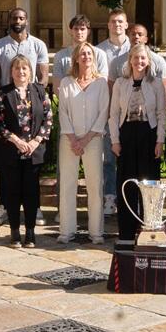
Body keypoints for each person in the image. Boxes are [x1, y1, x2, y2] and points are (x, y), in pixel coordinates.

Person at [0, 55, 53, 247]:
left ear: (30, 71)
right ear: (11, 72)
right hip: (11, 151)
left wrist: (36, 141)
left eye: (24, 68)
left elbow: (48, 119)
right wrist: (16, 141)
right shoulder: (2, 94)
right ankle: (15, 232)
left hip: (33, 152)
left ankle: (31, 233)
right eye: (17, 68)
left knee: (31, 193)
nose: (21, 72)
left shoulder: (40, 91)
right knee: (12, 192)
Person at [109, 43, 166, 244]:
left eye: (143, 58)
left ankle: (149, 230)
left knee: (149, 184)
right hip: (126, 135)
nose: (139, 61)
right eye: (135, 58)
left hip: (148, 135)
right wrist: (115, 140)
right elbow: (114, 114)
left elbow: (161, 114)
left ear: (148, 61)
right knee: (127, 184)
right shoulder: (120, 83)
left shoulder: (156, 83)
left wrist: (160, 140)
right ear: (130, 60)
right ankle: (126, 232)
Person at [56, 34, 110, 245]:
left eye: (89, 54)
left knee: (94, 186)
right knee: (67, 184)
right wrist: (73, 139)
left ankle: (96, 232)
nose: (86, 57)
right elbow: (62, 112)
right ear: (76, 59)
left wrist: (85, 139)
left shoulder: (101, 83)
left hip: (93, 139)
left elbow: (104, 112)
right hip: (69, 140)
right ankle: (66, 230)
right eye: (83, 54)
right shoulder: (67, 83)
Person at [95, 8, 133, 218]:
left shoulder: (135, 48)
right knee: (108, 158)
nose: (117, 25)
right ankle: (109, 197)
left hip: (131, 113)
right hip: (108, 111)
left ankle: (128, 197)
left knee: (128, 158)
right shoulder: (99, 51)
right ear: (108, 25)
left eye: (120, 21)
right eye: (113, 21)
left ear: (126, 25)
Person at [0, 7, 49, 90]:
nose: (17, 21)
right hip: (6, 94)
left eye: (21, 18)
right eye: (14, 18)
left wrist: (35, 94)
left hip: (30, 94)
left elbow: (43, 78)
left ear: (26, 21)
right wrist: (1, 95)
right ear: (9, 21)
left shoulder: (39, 45)